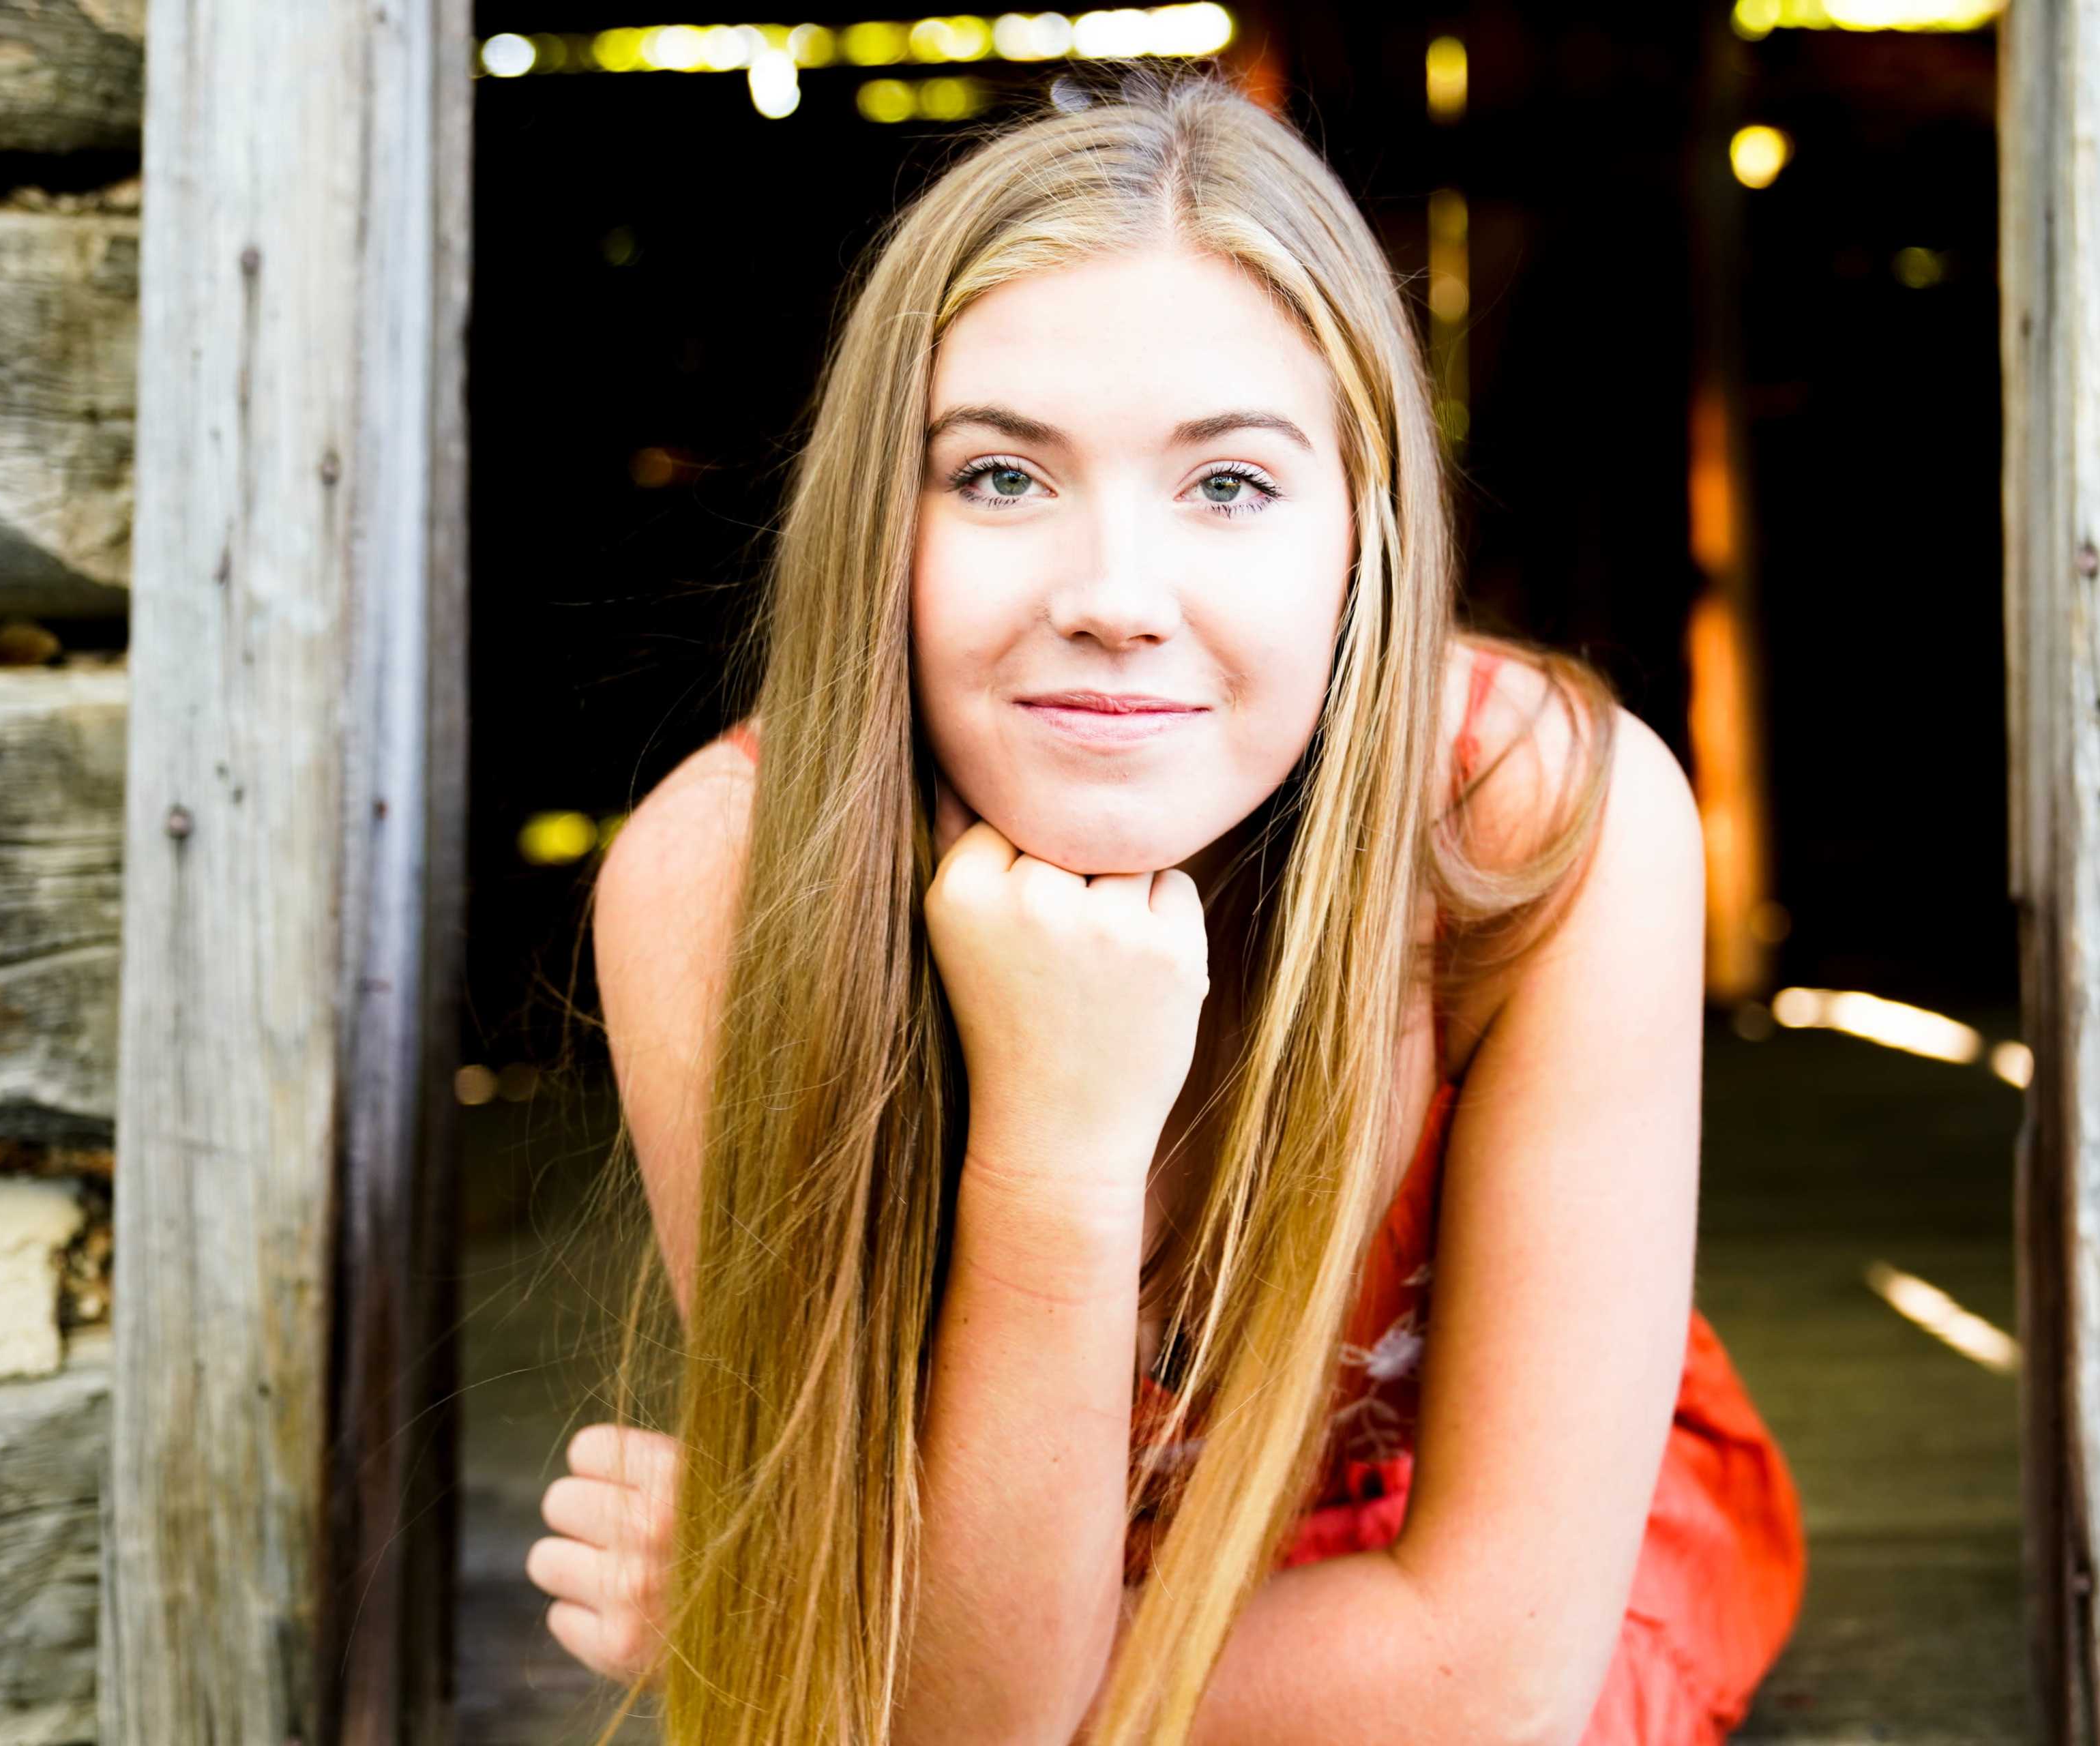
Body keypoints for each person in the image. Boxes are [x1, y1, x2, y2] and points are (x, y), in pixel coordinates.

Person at [523, 70, 1805, 1746]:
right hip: (1023, 1555)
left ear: (1368, 540)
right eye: (997, 477)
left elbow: (1487, 1673)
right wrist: (1056, 1138)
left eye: (1230, 487)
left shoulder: (1539, 815)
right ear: (874, 530)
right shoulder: (725, 877)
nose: (1115, 598)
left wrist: (807, 1619)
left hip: (1483, 1572)